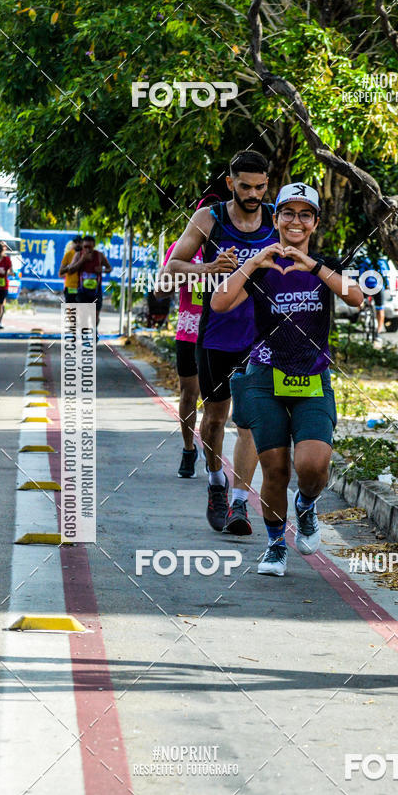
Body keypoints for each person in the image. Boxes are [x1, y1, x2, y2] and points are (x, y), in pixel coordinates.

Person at [211, 182, 363, 576]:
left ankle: (307, 505)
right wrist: (251, 263)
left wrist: (311, 265)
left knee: (313, 465)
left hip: (312, 378)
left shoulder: (326, 266)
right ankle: (276, 545)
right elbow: (219, 302)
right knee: (275, 469)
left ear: (314, 223)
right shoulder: (260, 270)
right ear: (275, 218)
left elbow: (356, 298)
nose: (296, 221)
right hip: (265, 378)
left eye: (305, 214)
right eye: (288, 213)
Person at [157, 151, 278, 535]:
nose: (253, 194)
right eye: (245, 186)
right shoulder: (210, 218)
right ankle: (215, 483)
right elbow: (174, 265)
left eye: (260, 186)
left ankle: (240, 504)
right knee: (214, 420)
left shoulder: (277, 218)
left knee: (250, 422)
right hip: (216, 335)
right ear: (230, 183)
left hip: (261, 336)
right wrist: (207, 268)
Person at [165, 193, 220, 479]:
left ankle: (215, 462)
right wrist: (192, 272)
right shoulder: (182, 247)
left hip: (223, 332)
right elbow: (162, 287)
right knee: (189, 394)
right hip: (189, 330)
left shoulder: (236, 246)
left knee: (217, 404)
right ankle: (189, 449)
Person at [68, 235, 112, 330]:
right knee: (83, 316)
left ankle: (94, 331)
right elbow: (71, 270)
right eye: (85, 247)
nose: (87, 249)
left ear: (94, 246)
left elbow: (109, 268)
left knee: (94, 317)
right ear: (83, 246)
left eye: (90, 247)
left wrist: (102, 270)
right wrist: (82, 260)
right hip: (82, 291)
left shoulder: (99, 255)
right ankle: (85, 337)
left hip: (96, 291)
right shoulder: (79, 255)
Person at [59, 234, 83, 302]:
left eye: (79, 242)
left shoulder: (86, 255)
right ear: (73, 243)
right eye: (76, 242)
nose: (78, 244)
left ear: (82, 243)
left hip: (83, 288)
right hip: (71, 287)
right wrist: (70, 268)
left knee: (82, 311)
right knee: (71, 311)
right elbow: (61, 272)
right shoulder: (68, 254)